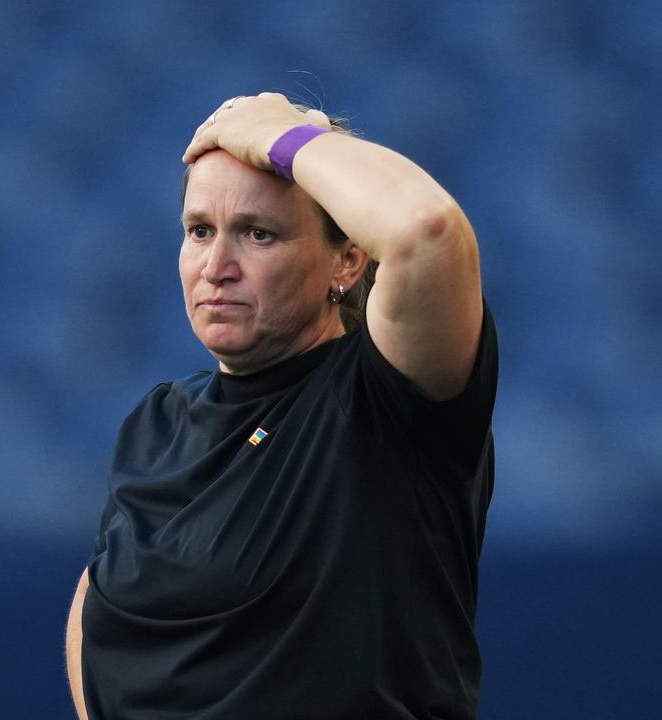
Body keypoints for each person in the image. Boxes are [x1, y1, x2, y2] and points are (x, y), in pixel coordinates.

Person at [65, 92, 498, 720]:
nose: (216, 266)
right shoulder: (157, 423)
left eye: (258, 234)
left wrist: (278, 138)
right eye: (199, 231)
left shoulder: (385, 398)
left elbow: (426, 230)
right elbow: (98, 599)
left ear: (347, 260)